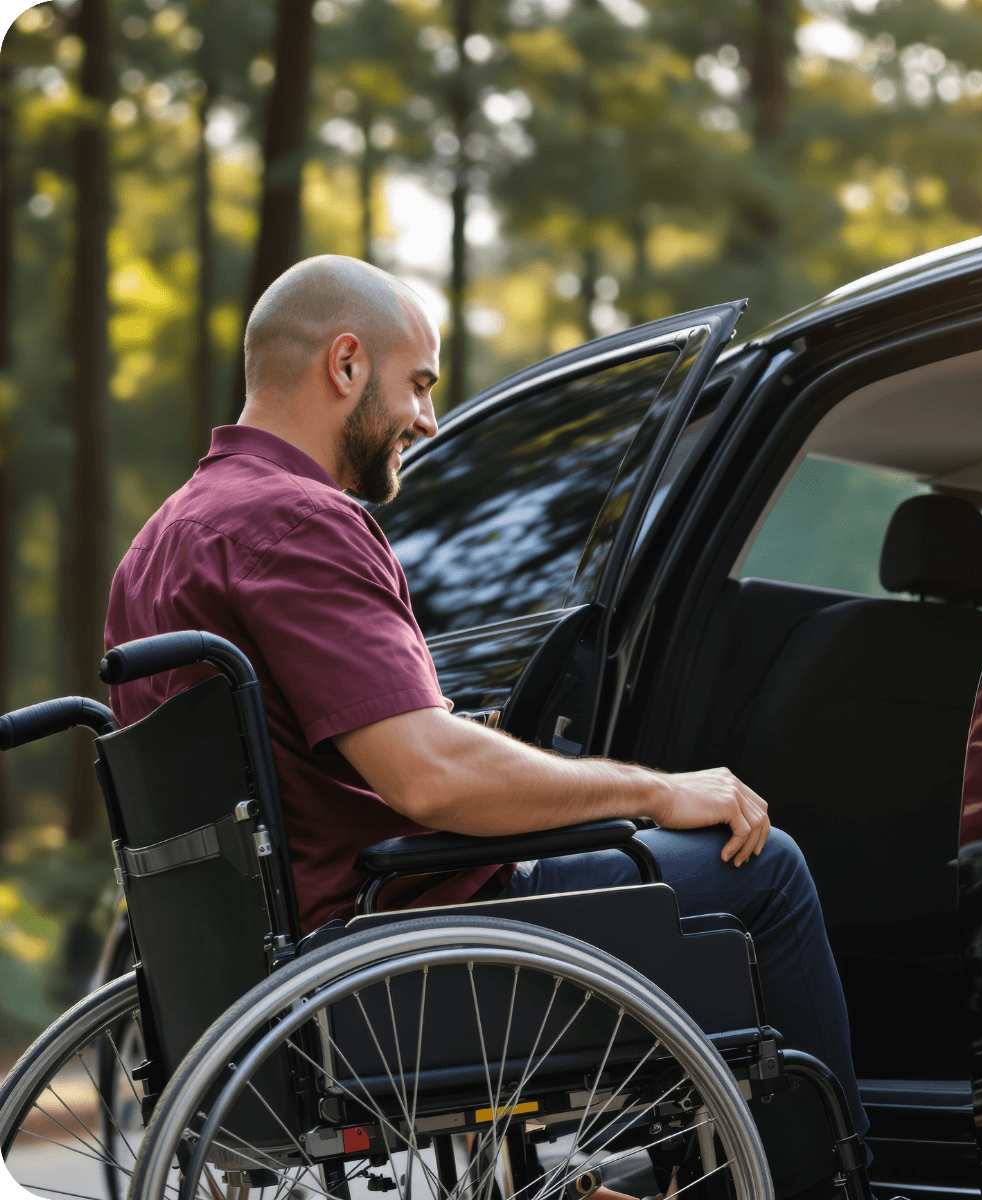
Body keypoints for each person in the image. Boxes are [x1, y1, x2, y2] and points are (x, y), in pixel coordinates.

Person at [104, 255, 870, 1200]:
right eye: (418, 384)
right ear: (345, 364)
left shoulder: (160, 543)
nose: (426, 419)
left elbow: (316, 769)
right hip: (399, 961)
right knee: (769, 870)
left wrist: (463, 738)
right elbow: (428, 781)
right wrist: (657, 788)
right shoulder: (300, 521)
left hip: (273, 974)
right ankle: (828, 1185)